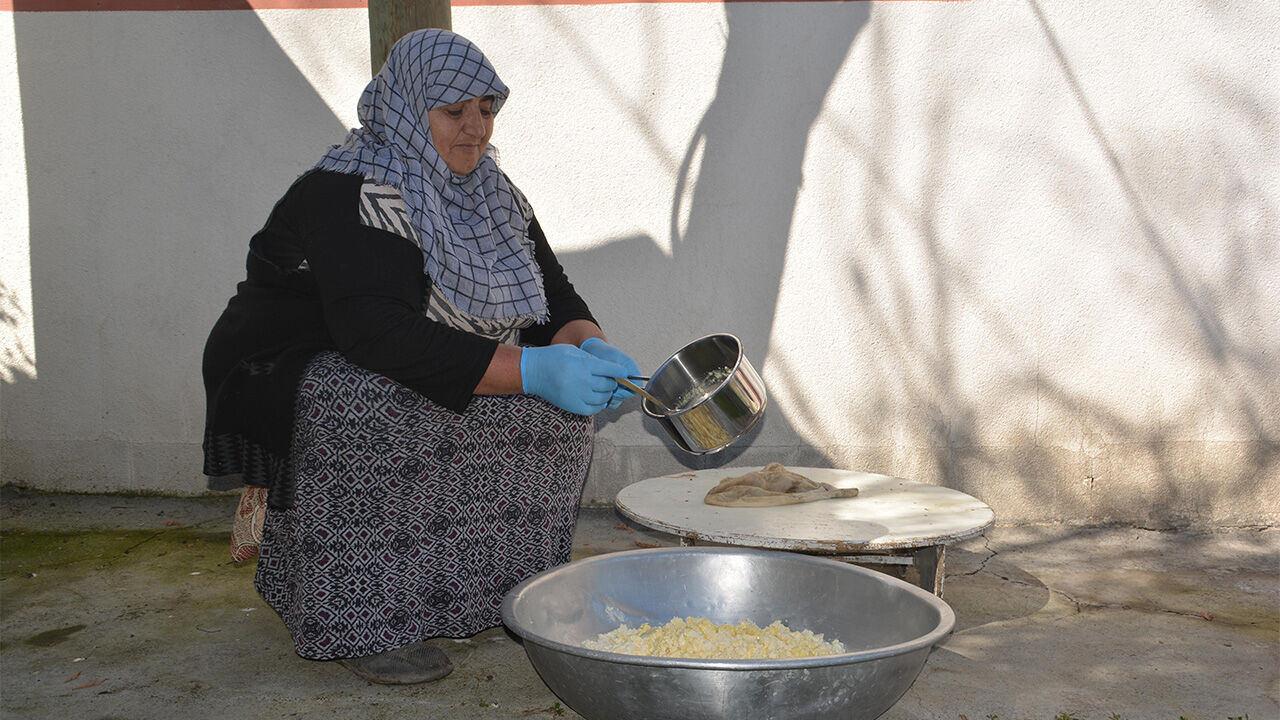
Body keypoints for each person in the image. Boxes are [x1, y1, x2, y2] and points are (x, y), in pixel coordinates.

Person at [201, 28, 640, 685]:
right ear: (409, 107)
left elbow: (553, 297)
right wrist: (532, 370)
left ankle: (501, 593)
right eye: (454, 111)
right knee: (379, 400)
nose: (476, 129)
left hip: (389, 349)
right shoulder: (349, 188)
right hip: (290, 361)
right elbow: (376, 333)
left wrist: (590, 345)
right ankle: (361, 619)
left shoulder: (492, 193)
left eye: (486, 109)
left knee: (551, 416)